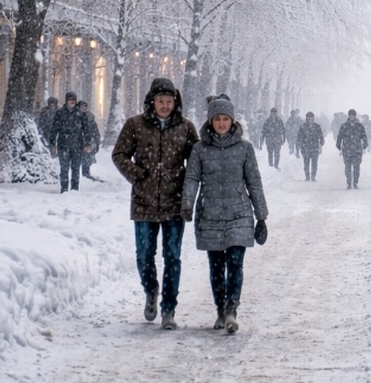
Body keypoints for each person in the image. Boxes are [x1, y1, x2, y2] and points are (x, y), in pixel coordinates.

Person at [111, 78, 198, 330]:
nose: (164, 105)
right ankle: (151, 289)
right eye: (160, 101)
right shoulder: (135, 125)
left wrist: (187, 188)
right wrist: (136, 174)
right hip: (143, 203)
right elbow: (119, 154)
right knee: (144, 255)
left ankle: (169, 308)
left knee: (172, 257)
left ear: (175, 102)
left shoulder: (185, 127)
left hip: (174, 204)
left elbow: (195, 162)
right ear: (152, 101)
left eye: (169, 101)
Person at [182, 94, 267, 334]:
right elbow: (192, 178)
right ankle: (220, 308)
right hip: (210, 214)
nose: (221, 123)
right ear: (210, 121)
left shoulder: (245, 148)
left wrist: (262, 216)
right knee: (216, 266)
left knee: (236, 263)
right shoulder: (199, 150)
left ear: (232, 121)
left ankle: (232, 309)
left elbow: (254, 183)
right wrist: (187, 204)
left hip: (239, 213)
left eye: (225, 119)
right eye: (217, 119)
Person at [48, 91, 92, 193]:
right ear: (66, 100)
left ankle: (74, 189)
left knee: (75, 168)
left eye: (73, 100)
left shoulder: (81, 114)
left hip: (77, 145)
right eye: (70, 100)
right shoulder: (60, 113)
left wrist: (87, 143)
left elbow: (86, 129)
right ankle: (64, 189)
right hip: (63, 145)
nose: (72, 102)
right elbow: (54, 129)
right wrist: (53, 144)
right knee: (64, 168)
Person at [336, 109, 368, 189]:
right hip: (346, 149)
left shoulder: (359, 126)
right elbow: (340, 136)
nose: (351, 117)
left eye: (353, 115)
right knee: (347, 167)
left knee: (356, 167)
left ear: (355, 116)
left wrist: (365, 144)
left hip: (357, 150)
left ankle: (355, 183)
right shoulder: (344, 126)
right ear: (348, 116)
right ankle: (349, 183)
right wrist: (338, 143)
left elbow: (364, 136)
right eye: (350, 115)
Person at [297, 112, 325, 182]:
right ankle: (307, 176)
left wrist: (321, 143)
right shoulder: (302, 127)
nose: (309, 119)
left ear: (313, 118)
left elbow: (321, 136)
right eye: (308, 117)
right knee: (306, 163)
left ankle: (313, 176)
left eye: (311, 117)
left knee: (314, 163)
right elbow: (299, 137)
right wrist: (300, 144)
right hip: (305, 148)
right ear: (306, 118)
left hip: (314, 148)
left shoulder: (317, 126)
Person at [78, 100, 101, 180]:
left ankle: (86, 173)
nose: (83, 108)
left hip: (89, 141)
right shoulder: (75, 116)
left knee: (87, 158)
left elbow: (95, 131)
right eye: (81, 106)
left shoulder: (90, 117)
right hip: (79, 141)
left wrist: (96, 141)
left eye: (84, 106)